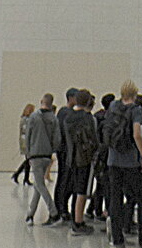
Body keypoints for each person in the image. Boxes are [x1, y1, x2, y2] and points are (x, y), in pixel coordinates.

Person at [104, 79, 142, 247]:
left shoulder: (113, 106)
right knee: (141, 199)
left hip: (113, 160)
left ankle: (117, 239)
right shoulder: (136, 110)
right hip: (130, 161)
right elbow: (137, 134)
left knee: (115, 199)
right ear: (135, 94)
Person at [65, 89, 99, 236]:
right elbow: (93, 140)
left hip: (70, 157)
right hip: (84, 158)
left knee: (75, 189)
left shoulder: (68, 117)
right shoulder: (88, 118)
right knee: (82, 190)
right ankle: (78, 222)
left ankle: (75, 219)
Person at [25, 92, 62, 225]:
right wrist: (51, 150)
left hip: (35, 155)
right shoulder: (54, 119)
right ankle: (30, 215)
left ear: (41, 101)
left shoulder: (33, 117)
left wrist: (28, 153)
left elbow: (27, 136)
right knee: (38, 185)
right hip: (46, 155)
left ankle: (54, 213)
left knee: (40, 184)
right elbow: (57, 139)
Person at [54, 87, 79, 220]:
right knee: (64, 179)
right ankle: (61, 208)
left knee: (64, 179)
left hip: (64, 150)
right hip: (65, 151)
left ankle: (61, 207)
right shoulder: (66, 113)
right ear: (71, 98)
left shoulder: (63, 112)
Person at [90, 93, 115, 219]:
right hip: (105, 155)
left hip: (98, 154)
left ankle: (94, 209)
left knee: (100, 184)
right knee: (106, 185)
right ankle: (104, 210)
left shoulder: (96, 117)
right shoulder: (110, 120)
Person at [12, 103, 34, 185]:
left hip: (26, 140)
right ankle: (18, 174)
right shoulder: (26, 119)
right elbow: (26, 130)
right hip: (26, 141)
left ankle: (25, 178)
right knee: (28, 160)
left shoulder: (25, 119)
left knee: (28, 160)